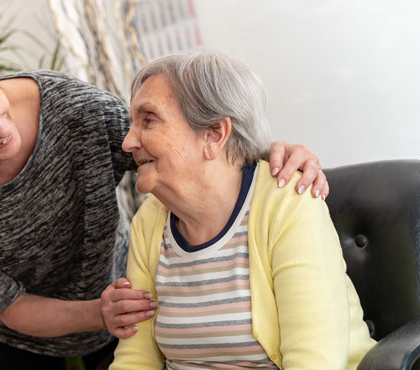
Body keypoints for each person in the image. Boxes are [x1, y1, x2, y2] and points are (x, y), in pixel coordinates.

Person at [0, 34, 328, 369]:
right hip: (26, 341)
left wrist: (270, 152)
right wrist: (98, 311)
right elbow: (11, 304)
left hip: (121, 316)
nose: (1, 128)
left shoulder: (73, 110)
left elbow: (174, 145)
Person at [110, 51, 375, 369]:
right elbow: (135, 359)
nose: (128, 142)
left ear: (214, 134)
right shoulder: (150, 221)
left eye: (148, 120)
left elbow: (313, 362)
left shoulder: (286, 205)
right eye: (132, 123)